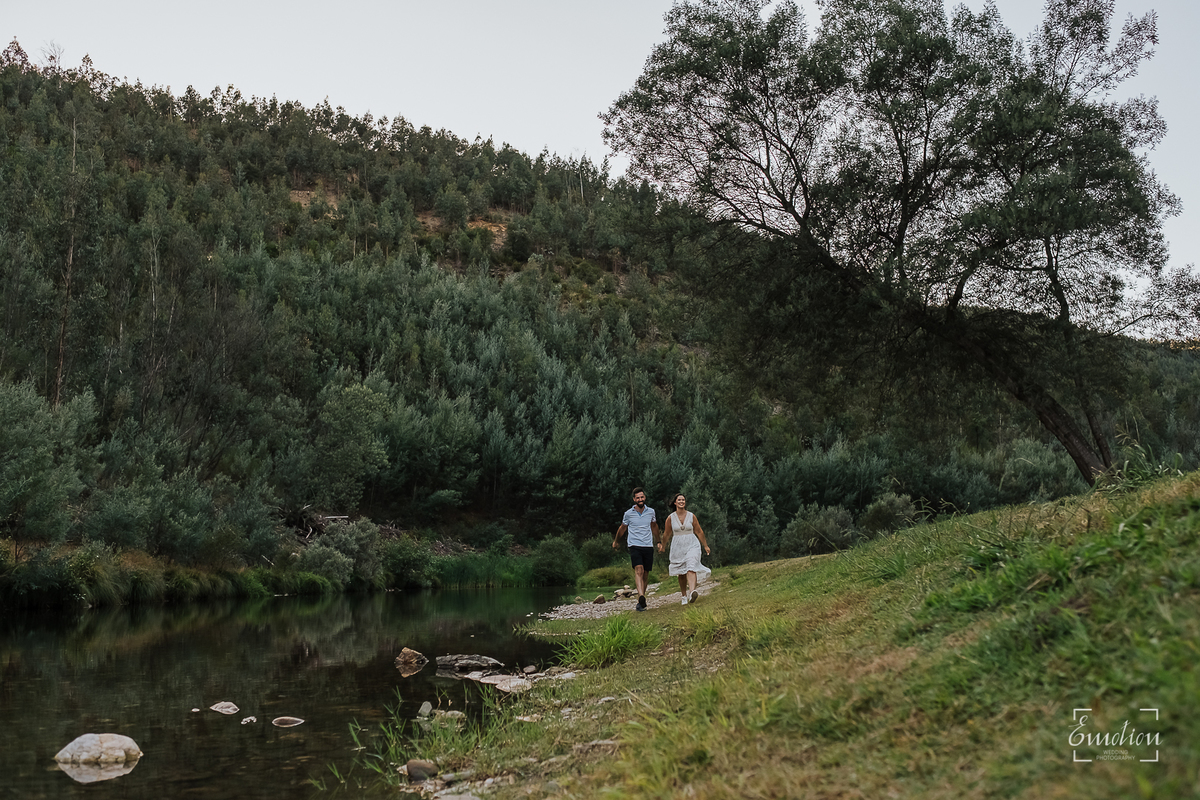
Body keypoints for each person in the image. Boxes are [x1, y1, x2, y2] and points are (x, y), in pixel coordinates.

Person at [612, 487, 659, 611]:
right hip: (634, 545)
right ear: (634, 499)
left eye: (642, 497)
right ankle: (641, 596)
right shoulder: (628, 514)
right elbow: (622, 528)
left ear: (645, 497)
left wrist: (659, 541)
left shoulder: (651, 512)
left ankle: (641, 602)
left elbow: (654, 526)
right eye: (638, 498)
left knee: (646, 573)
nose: (640, 499)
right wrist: (616, 541)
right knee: (639, 570)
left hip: (648, 545)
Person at [659, 492, 711, 605]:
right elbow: (667, 534)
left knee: (691, 566)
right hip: (678, 546)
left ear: (685, 502)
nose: (681, 501)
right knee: (681, 573)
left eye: (683, 500)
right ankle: (683, 596)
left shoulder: (691, 516)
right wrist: (663, 546)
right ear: (675, 503)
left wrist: (705, 545)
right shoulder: (670, 518)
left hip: (692, 544)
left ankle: (692, 592)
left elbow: (699, 531)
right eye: (679, 500)